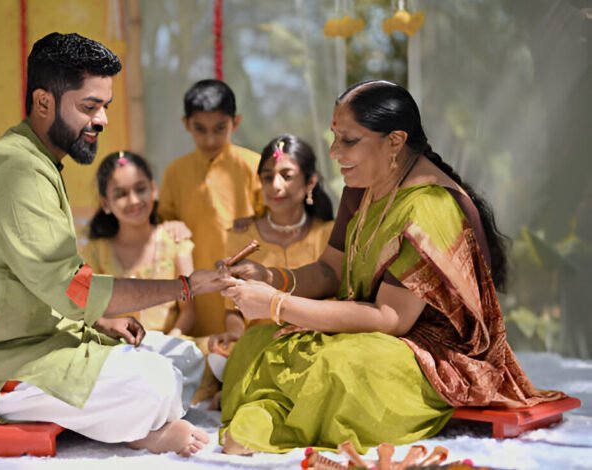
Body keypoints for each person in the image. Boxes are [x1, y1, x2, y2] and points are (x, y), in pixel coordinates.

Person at [217, 80, 565, 455]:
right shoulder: (363, 185)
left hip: (427, 355)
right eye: (335, 137)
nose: (334, 152)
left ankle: (272, 421)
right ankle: (270, 418)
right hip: (369, 330)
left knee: (338, 364)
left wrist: (276, 304)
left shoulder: (431, 206)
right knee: (258, 340)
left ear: (395, 141)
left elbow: (390, 318)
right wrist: (271, 278)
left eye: (349, 140)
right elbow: (329, 273)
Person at [0, 32, 232, 458]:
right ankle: (139, 430)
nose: (102, 120)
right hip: (0, 368)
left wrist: (97, 324)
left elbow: (51, 290)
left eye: (105, 107)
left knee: (181, 353)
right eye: (89, 107)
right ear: (44, 103)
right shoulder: (16, 174)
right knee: (154, 382)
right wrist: (185, 286)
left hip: (47, 340)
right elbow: (73, 291)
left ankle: (118, 415)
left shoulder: (37, 161)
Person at [208, 134, 334, 361]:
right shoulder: (241, 236)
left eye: (287, 176)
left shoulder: (329, 233)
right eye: (267, 177)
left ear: (310, 182)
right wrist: (235, 337)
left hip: (316, 343)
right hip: (259, 346)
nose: (275, 186)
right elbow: (233, 307)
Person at [158, 79, 262, 337]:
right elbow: (164, 222)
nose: (210, 138)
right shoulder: (175, 172)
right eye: (200, 129)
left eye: (219, 128)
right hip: (196, 284)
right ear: (186, 124)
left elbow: (270, 220)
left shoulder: (253, 166)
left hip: (243, 278)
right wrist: (170, 225)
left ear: (235, 123)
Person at [83, 151, 196, 337]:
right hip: (115, 351)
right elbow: (82, 308)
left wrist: (170, 342)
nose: (134, 200)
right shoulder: (93, 253)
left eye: (140, 189)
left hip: (169, 349)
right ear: (105, 203)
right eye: (121, 194)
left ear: (154, 189)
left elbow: (189, 311)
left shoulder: (177, 243)